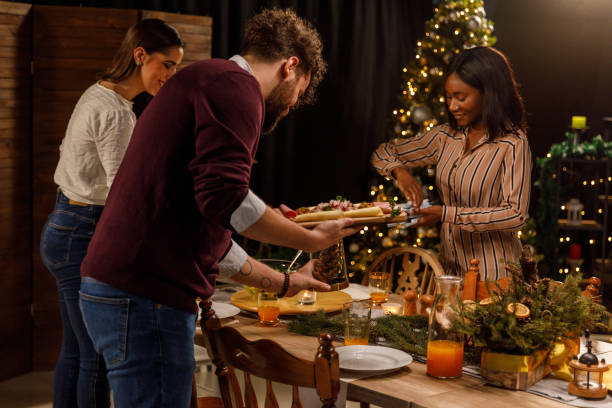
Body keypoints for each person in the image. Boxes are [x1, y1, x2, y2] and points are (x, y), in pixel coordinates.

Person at [78, 8, 358, 408]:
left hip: (120, 289)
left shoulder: (207, 79)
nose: (294, 103)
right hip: (144, 295)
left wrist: (285, 283)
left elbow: (210, 225)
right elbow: (226, 199)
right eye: (300, 90)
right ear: (291, 66)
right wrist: (309, 239)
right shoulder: (236, 88)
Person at [39, 19, 184, 408]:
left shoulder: (98, 93)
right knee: (96, 358)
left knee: (75, 350)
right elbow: (126, 192)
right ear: (140, 56)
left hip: (63, 224)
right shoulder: (117, 113)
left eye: (176, 68)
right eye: (166, 65)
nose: (170, 76)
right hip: (80, 232)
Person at [372, 46, 531, 281]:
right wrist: (400, 172)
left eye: (461, 97)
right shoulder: (445, 137)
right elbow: (382, 152)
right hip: (450, 273)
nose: (452, 106)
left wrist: (447, 214)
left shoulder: (512, 144)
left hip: (495, 276)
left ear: (488, 93)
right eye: (448, 97)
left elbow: (515, 214)